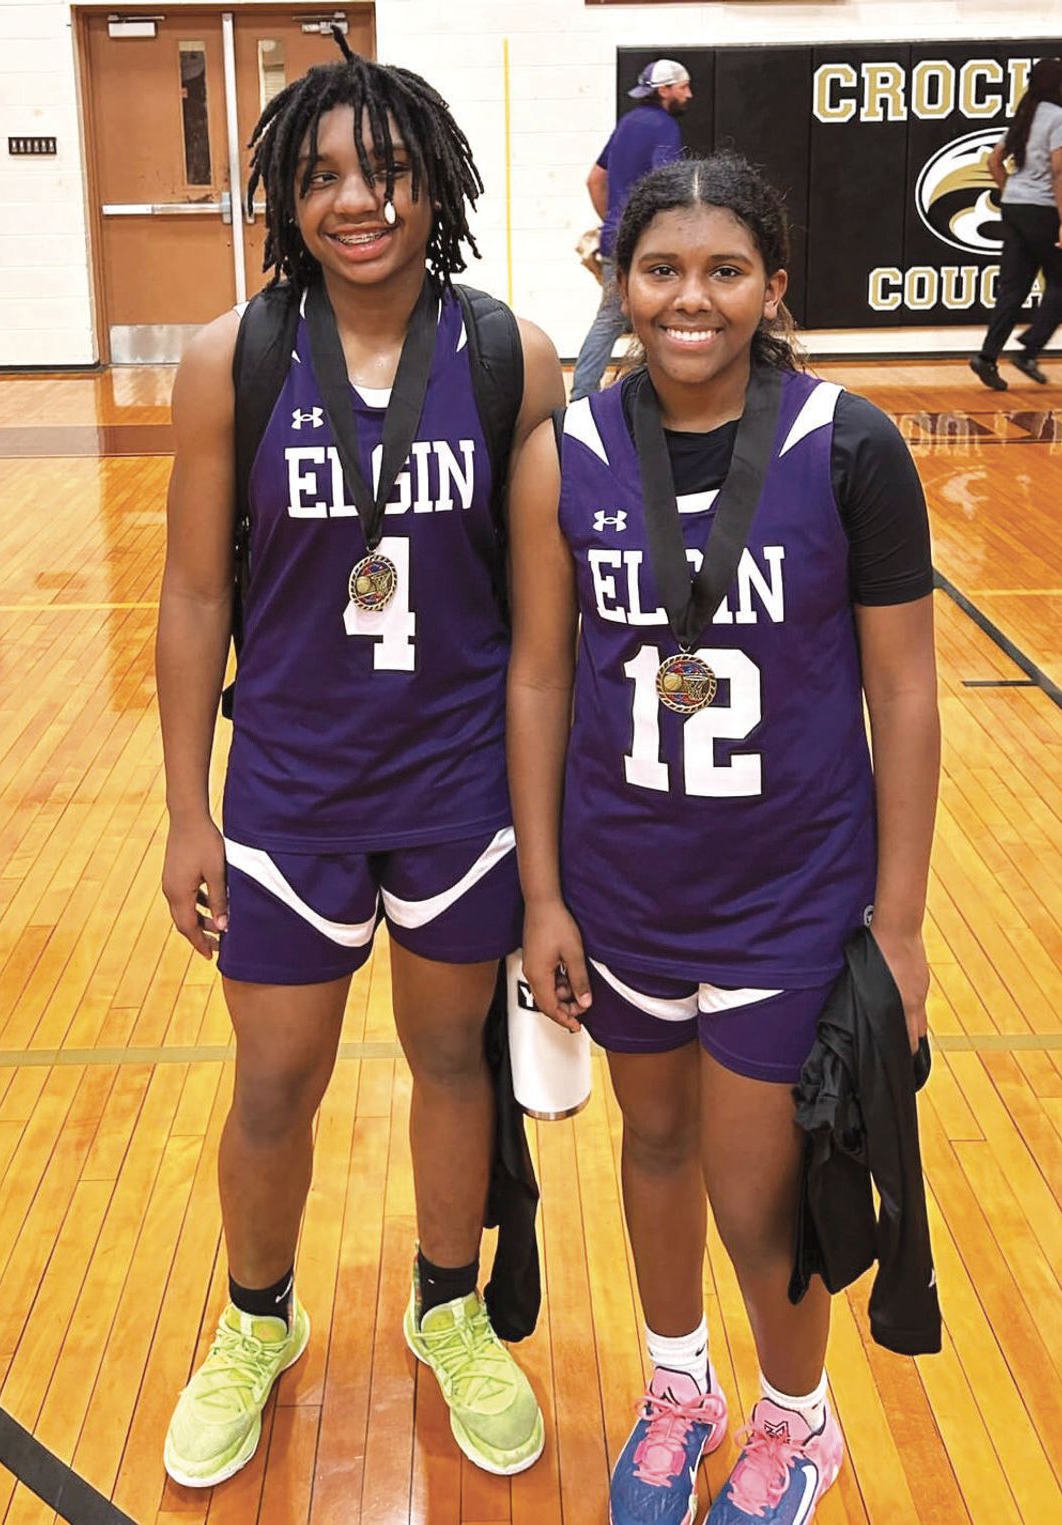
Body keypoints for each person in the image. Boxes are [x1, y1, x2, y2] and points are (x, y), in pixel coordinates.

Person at [156, 32, 564, 1489]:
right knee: (276, 1077)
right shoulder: (233, 359)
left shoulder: (513, 353)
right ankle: (256, 1320)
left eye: (384, 170)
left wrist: (550, 836)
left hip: (458, 784)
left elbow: (541, 614)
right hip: (287, 790)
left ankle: (448, 1308)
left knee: (451, 1057)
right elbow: (197, 595)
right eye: (322, 175)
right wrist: (181, 811)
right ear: (284, 195)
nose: (356, 200)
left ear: (433, 184)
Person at [507, 152, 940, 1525]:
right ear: (617, 283)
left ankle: (797, 1422)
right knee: (652, 1144)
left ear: (774, 288)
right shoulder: (562, 456)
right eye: (662, 270)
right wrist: (544, 896)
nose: (691, 299)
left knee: (762, 1190)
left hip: (790, 896)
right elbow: (537, 678)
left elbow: (906, 693)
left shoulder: (849, 444)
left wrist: (905, 921)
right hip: (624, 883)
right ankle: (677, 1385)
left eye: (725, 270)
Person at [570, 59, 692, 401]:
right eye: (683, 87)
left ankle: (581, 395)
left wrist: (613, 221)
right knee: (661, 315)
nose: (689, 94)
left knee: (610, 319)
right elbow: (666, 184)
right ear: (664, 90)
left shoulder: (628, 122)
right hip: (646, 244)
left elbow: (595, 179)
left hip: (616, 240)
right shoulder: (664, 127)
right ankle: (655, 394)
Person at [970, 56, 1062, 390]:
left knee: (1013, 287)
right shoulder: (1057, 118)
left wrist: (1012, 192)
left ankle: (987, 356)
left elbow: (995, 160)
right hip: (1043, 210)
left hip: (1015, 207)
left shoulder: (1024, 116)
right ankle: (1030, 349)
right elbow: (1058, 172)